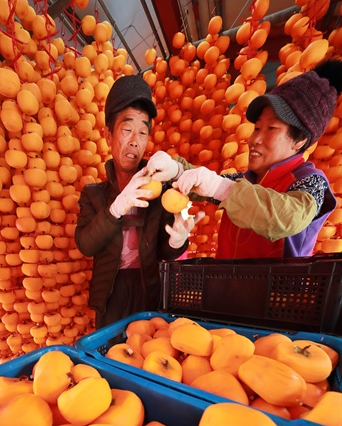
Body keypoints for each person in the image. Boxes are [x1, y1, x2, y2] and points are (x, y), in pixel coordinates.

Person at [146, 58, 342, 259]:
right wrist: (176, 170)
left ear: (299, 140)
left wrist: (218, 187)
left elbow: (288, 217)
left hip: (277, 290)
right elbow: (205, 186)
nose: (255, 139)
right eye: (256, 128)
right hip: (227, 287)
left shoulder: (311, 183)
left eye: (271, 129)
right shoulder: (249, 180)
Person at [75, 74, 202, 329]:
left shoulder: (161, 191)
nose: (135, 140)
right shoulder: (93, 195)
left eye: (143, 132)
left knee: (148, 353)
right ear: (108, 135)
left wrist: (178, 240)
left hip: (149, 291)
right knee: (109, 356)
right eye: (127, 129)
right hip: (110, 294)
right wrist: (115, 209)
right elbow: (86, 244)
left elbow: (165, 250)